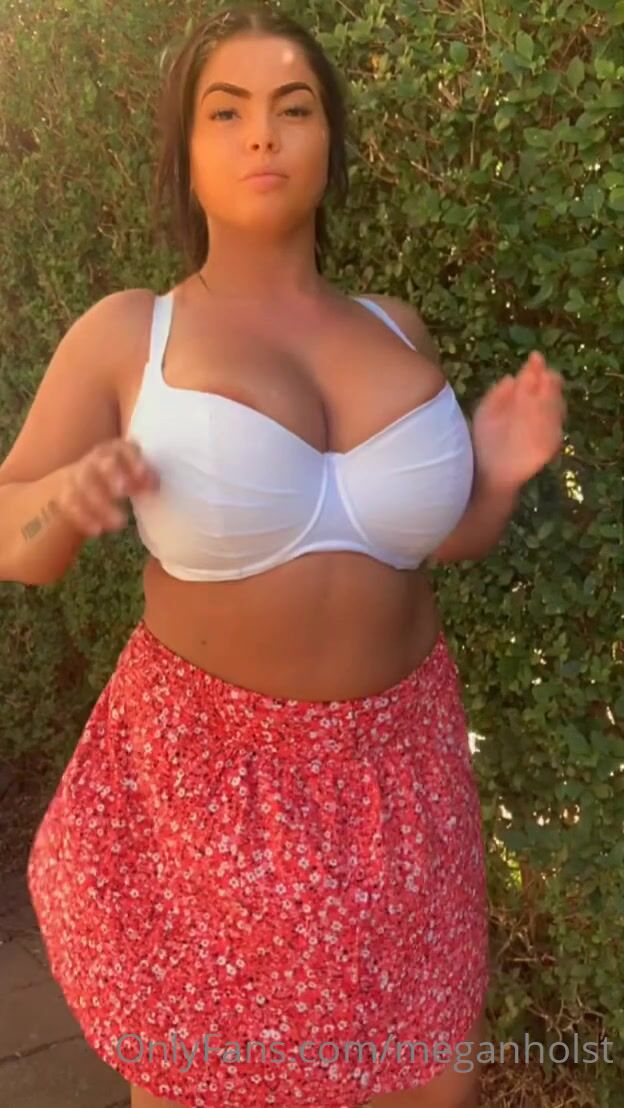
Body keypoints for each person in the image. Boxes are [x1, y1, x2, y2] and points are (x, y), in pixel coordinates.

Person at [0, 5, 565, 1107]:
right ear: (186, 151)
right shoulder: (129, 334)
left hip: (404, 790)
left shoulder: (397, 329)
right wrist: (61, 502)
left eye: (293, 108)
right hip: (213, 798)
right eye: (228, 111)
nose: (262, 133)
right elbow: (14, 539)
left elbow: (419, 544)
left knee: (428, 1080)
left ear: (330, 143)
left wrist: (494, 477)